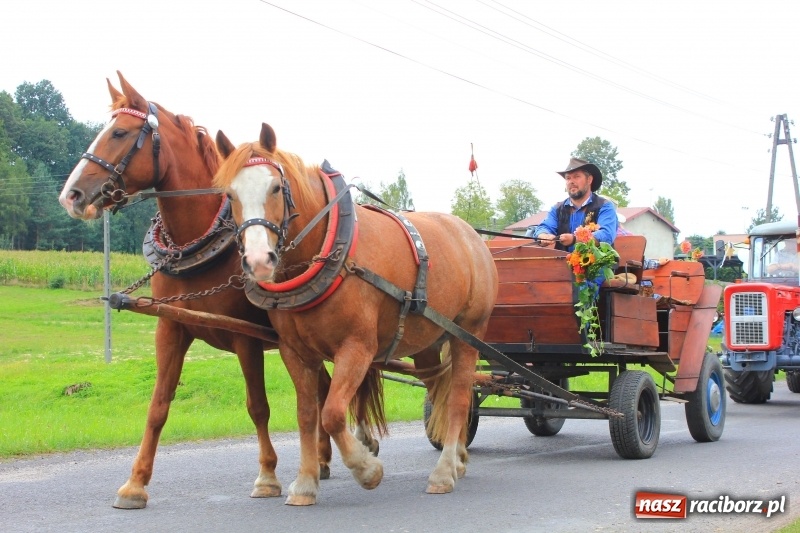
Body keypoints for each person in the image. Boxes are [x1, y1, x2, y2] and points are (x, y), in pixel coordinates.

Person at [529, 157, 618, 252]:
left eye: (576, 176)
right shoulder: (557, 209)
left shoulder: (604, 206)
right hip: (563, 264)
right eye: (568, 178)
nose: (571, 181)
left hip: (598, 265)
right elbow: (544, 227)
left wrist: (575, 239)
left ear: (589, 180)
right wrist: (543, 235)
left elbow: (607, 235)